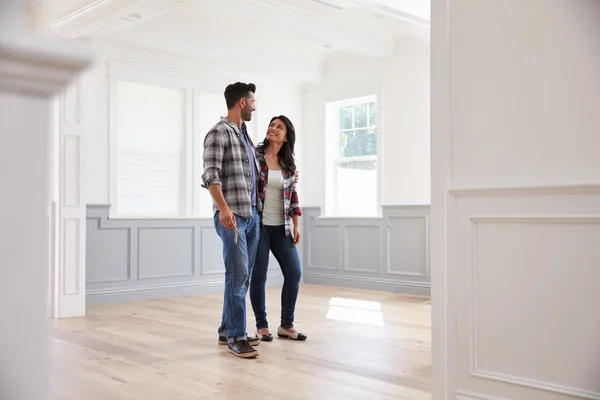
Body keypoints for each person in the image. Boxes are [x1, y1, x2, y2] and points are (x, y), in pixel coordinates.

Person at [201, 82, 262, 358]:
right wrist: (223, 209)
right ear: (241, 103)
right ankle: (238, 337)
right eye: (252, 102)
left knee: (241, 277)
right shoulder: (218, 133)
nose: (254, 106)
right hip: (232, 216)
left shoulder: (245, 137)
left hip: (251, 216)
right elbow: (210, 175)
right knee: (237, 277)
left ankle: (227, 329)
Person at [249, 115, 307, 342]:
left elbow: (293, 196)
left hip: (282, 226)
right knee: (259, 276)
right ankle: (261, 326)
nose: (273, 129)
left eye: (279, 127)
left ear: (286, 136)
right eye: (272, 125)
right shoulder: (255, 155)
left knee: (294, 273)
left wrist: (297, 225)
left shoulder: (289, 165)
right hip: (260, 225)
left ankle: (286, 324)